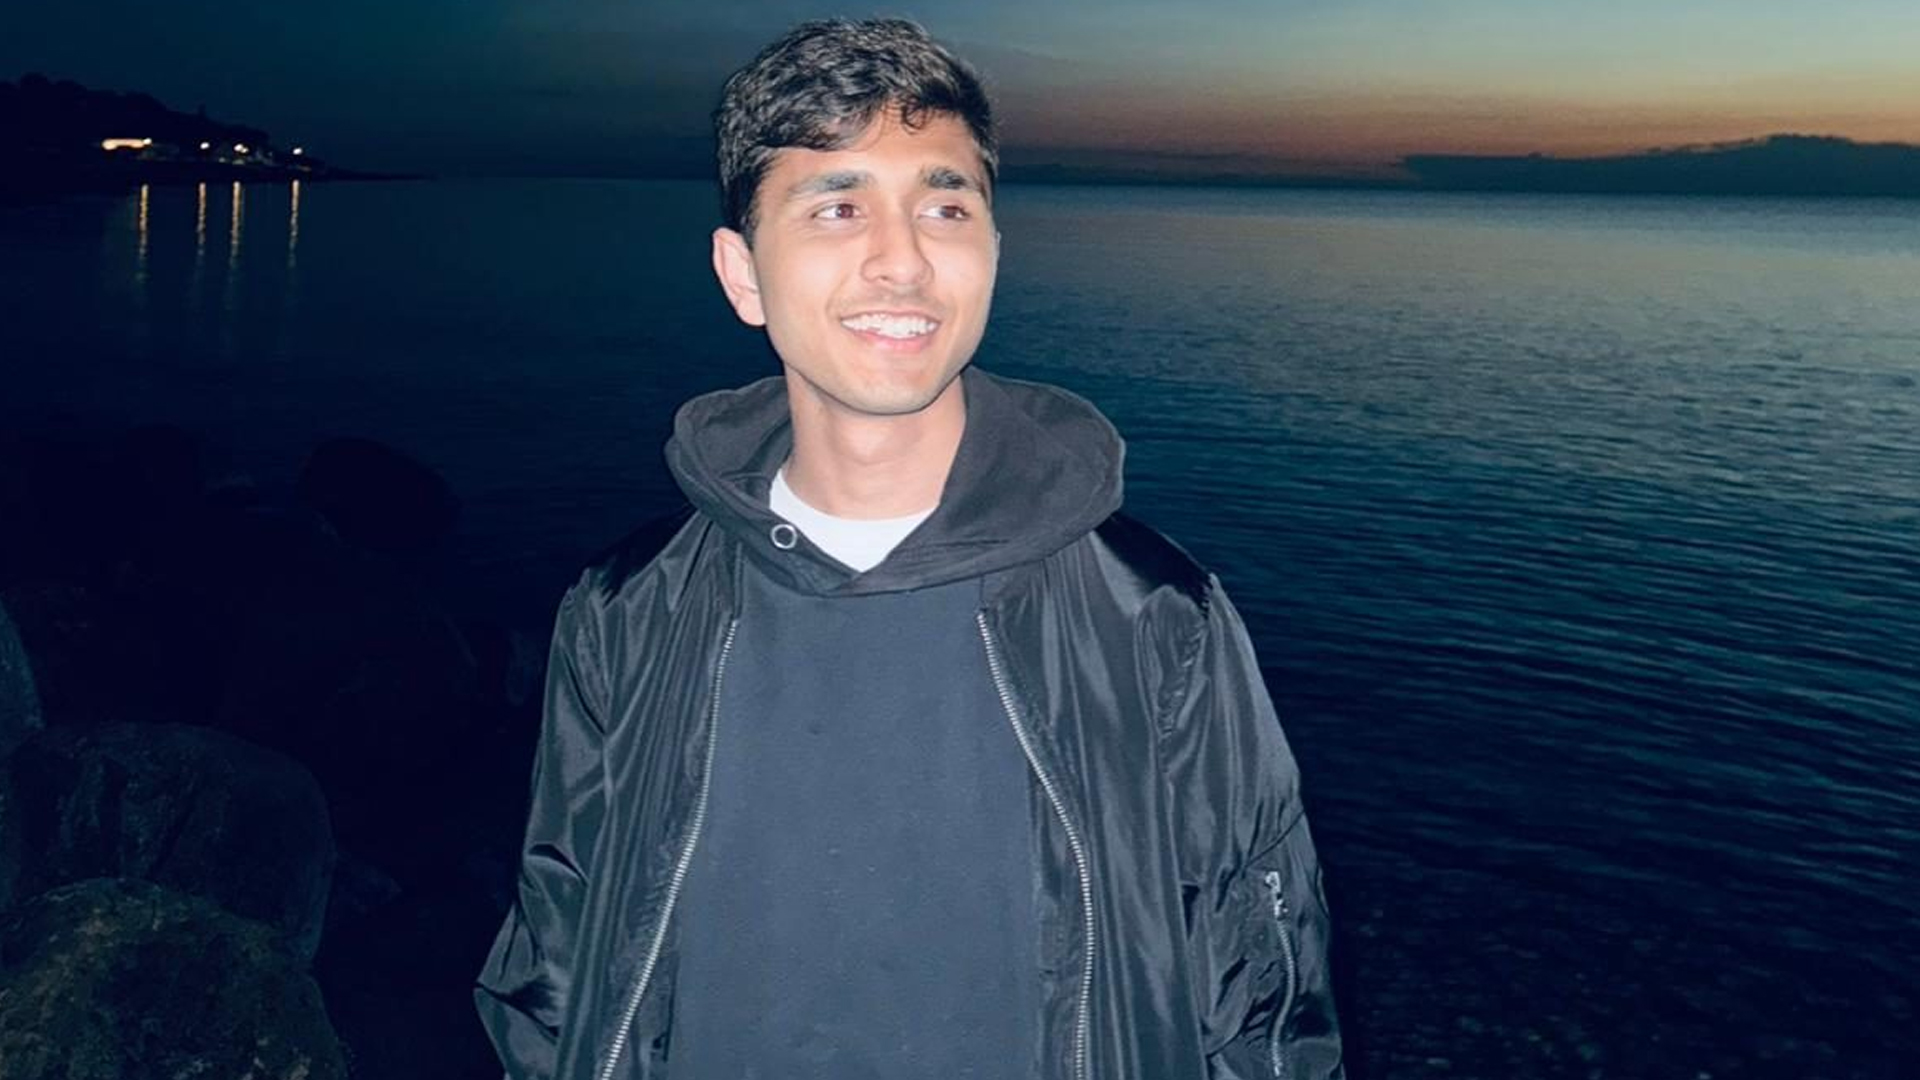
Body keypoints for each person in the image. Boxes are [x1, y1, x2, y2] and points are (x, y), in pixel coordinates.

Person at [475, 18, 1343, 1080]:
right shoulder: (627, 611)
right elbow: (554, 966)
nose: (903, 259)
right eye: (837, 207)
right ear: (743, 275)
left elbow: (1264, 998)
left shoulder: (1154, 616)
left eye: (945, 207)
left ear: (991, 256)